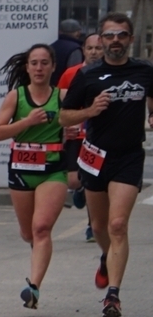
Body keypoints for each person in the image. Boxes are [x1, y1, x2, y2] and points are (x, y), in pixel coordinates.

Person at [61, 11, 153, 317]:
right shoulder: (87, 75)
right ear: (101, 40)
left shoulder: (144, 71)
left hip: (129, 156)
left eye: (121, 35)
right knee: (99, 226)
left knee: (117, 225)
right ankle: (106, 256)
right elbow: (64, 116)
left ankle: (113, 295)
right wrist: (89, 111)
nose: (116, 41)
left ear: (130, 39)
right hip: (95, 156)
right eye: (110, 35)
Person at [0, 44, 67, 309]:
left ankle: (33, 287)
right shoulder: (17, 96)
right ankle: (37, 257)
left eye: (44, 63)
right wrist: (27, 121)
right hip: (21, 171)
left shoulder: (62, 96)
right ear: (27, 67)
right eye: (34, 63)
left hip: (52, 171)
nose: (39, 68)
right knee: (28, 233)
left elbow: (80, 119)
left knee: (41, 228)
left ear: (53, 67)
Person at [58, 32, 102, 219]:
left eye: (98, 48)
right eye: (90, 48)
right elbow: (62, 104)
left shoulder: (110, 75)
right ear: (83, 50)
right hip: (76, 134)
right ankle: (80, 189)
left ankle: (92, 225)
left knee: (98, 181)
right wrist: (64, 127)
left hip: (98, 135)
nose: (94, 52)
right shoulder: (71, 74)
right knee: (73, 180)